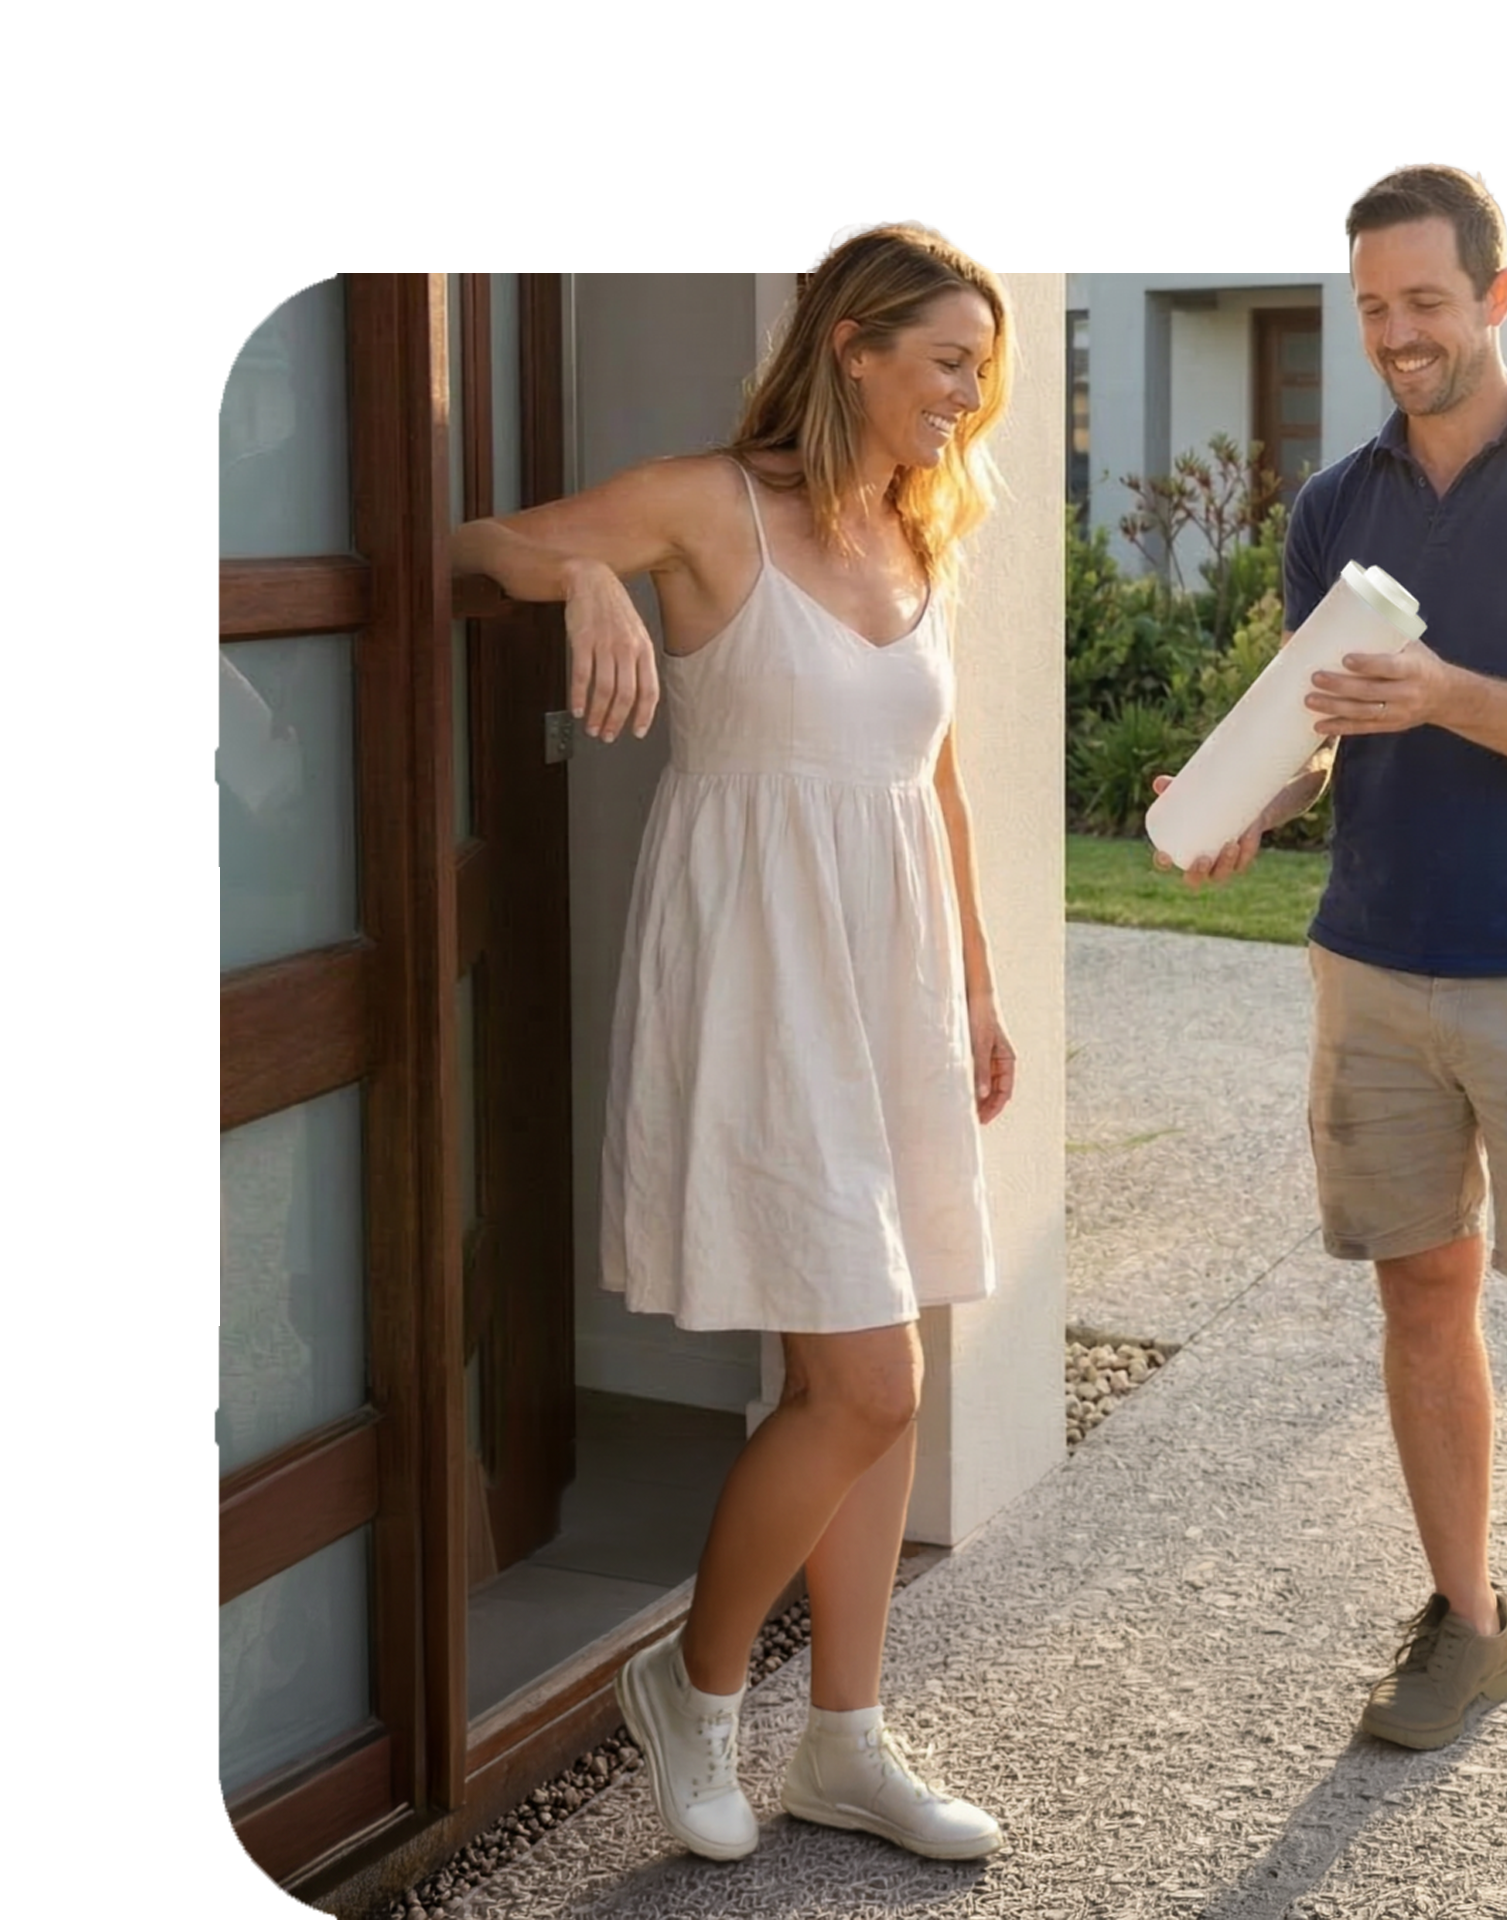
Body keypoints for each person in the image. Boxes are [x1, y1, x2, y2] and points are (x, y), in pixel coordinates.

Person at [1160, 163, 1507, 1860]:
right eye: (1371, 306)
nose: (1398, 333)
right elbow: (1329, 719)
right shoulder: (1337, 504)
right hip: (1375, 962)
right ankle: (1469, 1622)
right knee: (1421, 1303)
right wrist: (1255, 791)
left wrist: (1450, 695)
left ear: (1496, 291)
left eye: (1425, 299)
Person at [450, 223, 1017, 1865]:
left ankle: (843, 1741)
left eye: (983, 368)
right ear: (851, 345)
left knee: (876, 1376)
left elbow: (942, 780)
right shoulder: (708, 507)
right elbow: (471, 538)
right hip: (761, 988)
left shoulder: (917, 533)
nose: (970, 399)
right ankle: (694, 1691)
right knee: (864, 1378)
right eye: (948, 363)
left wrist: (974, 990)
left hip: (893, 987)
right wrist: (576, 576)